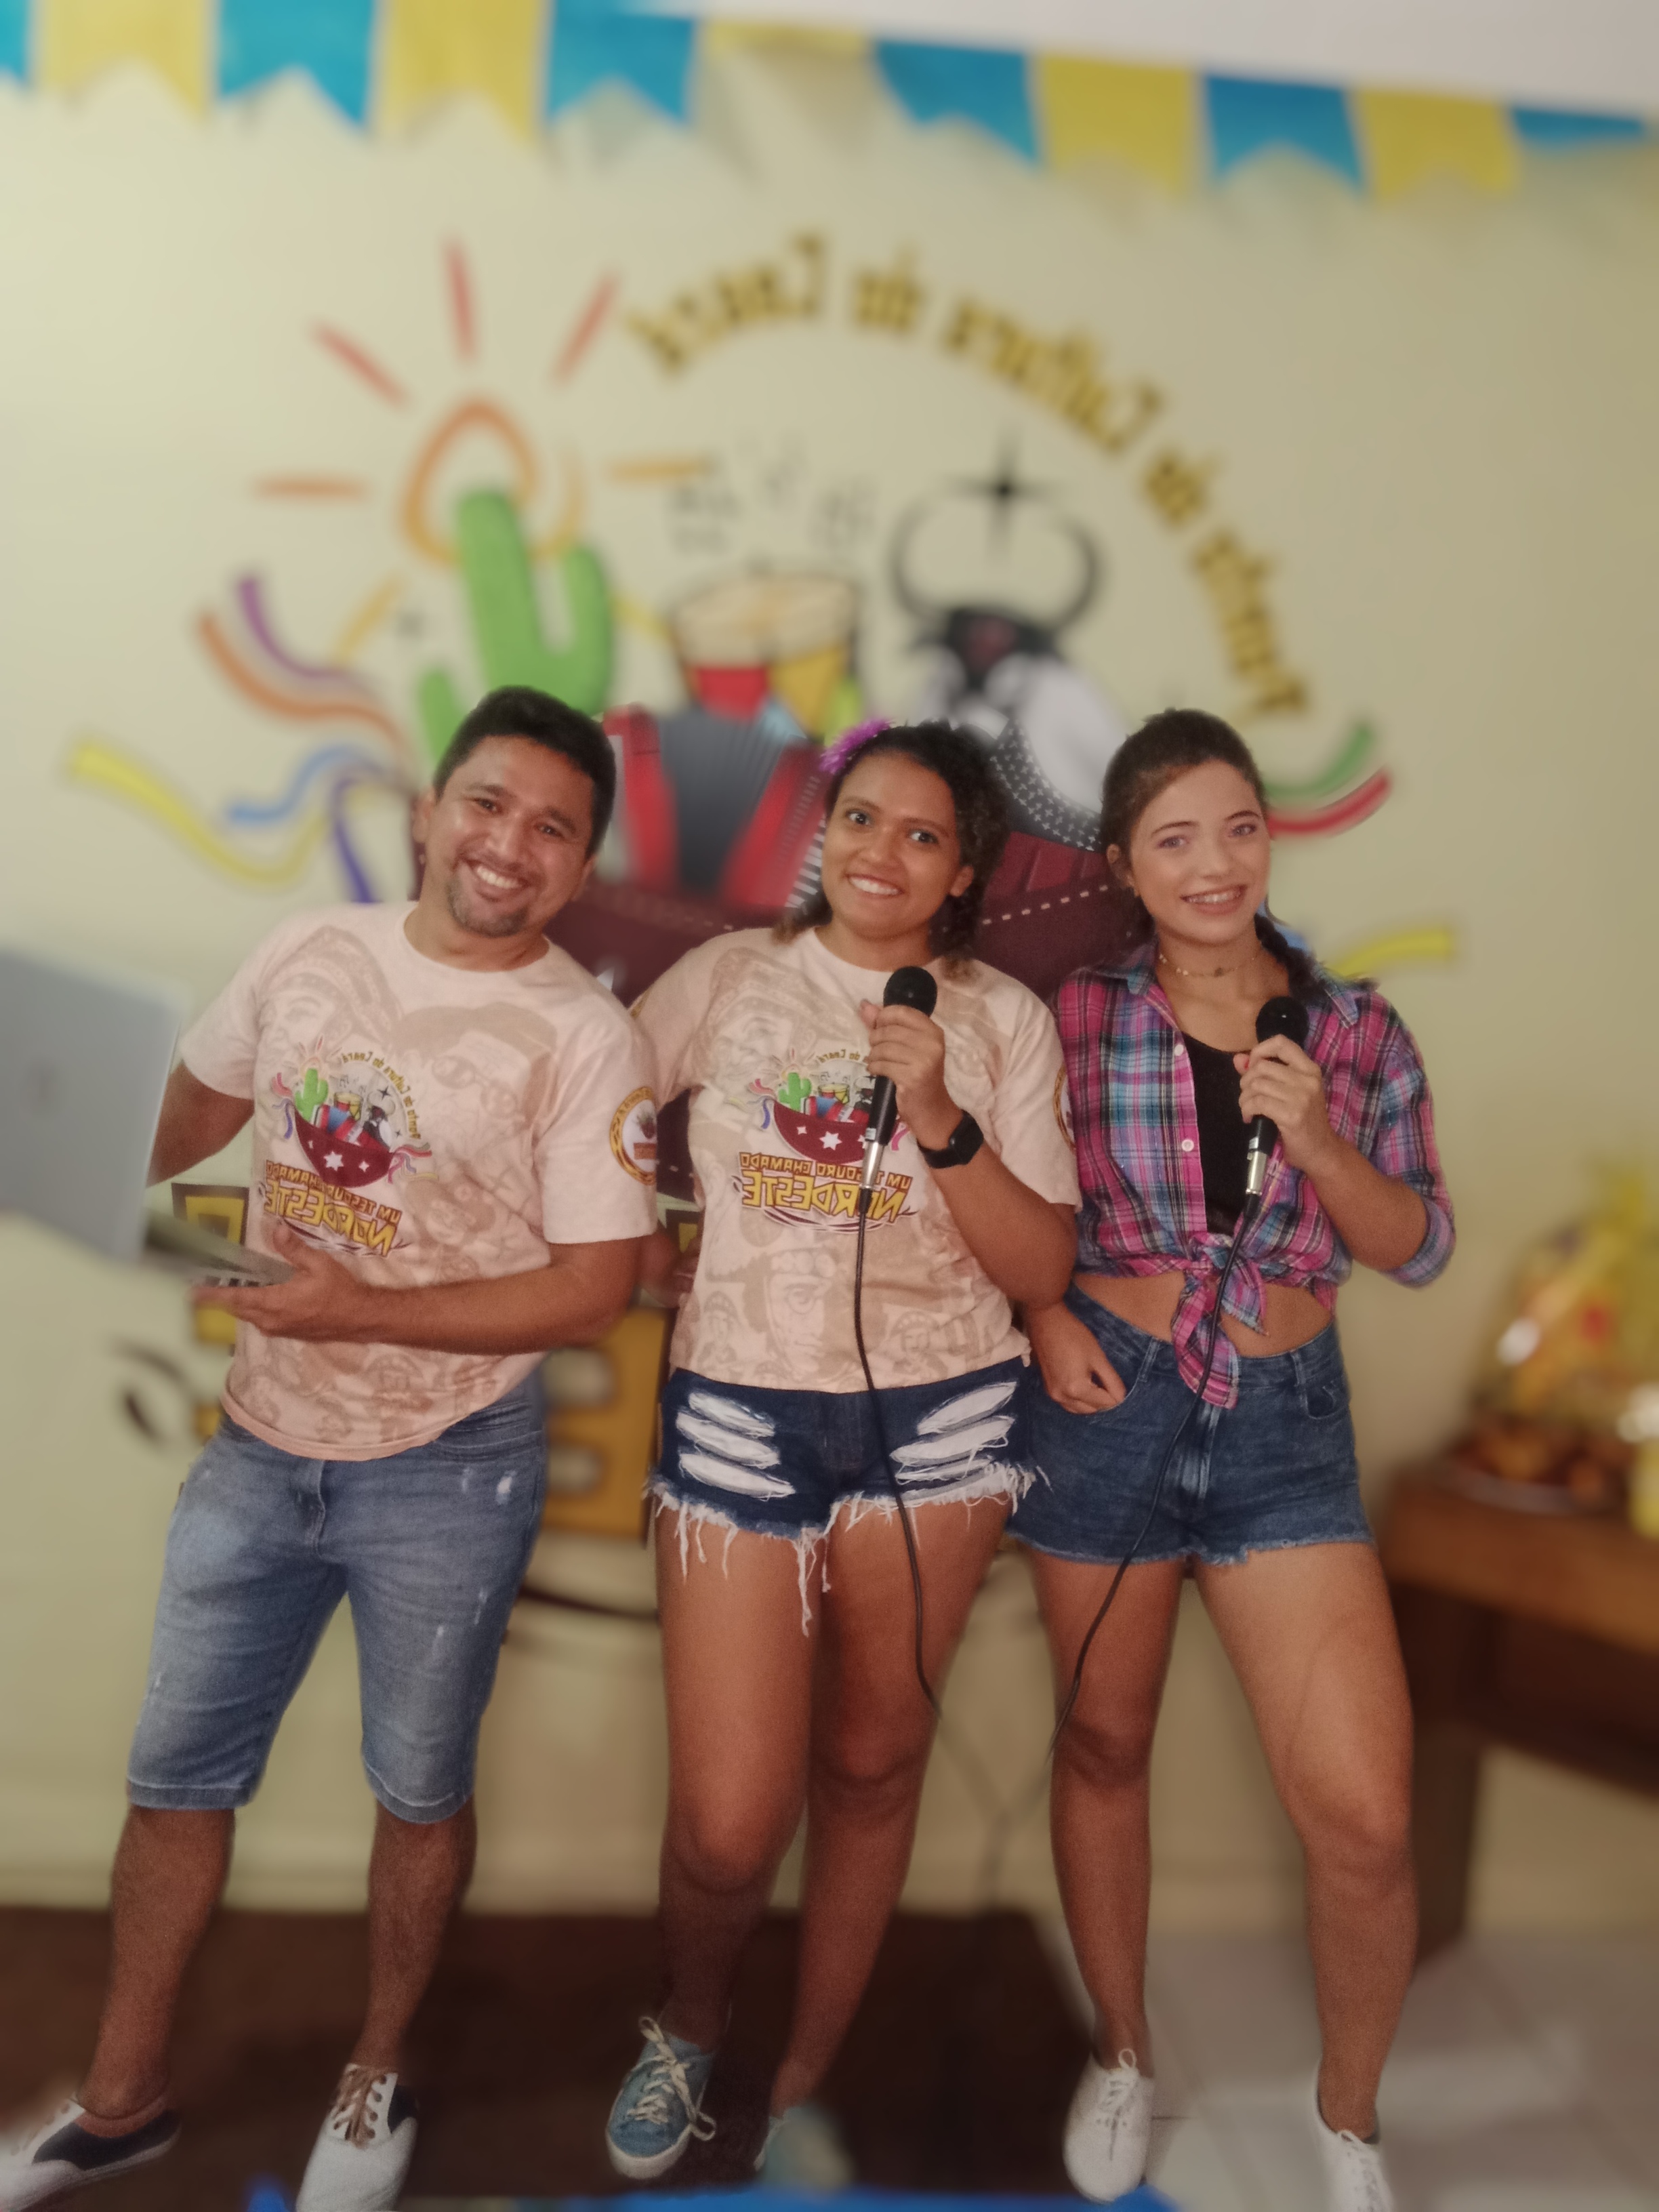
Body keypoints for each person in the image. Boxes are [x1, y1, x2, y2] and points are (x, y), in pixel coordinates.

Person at [0, 687, 657, 2212]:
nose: (510, 846)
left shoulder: (588, 1037)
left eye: (554, 829)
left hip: (452, 1462)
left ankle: (376, 2075)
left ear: (581, 868)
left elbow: (594, 1290)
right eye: (487, 803)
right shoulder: (307, 950)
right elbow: (192, 1112)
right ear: (428, 811)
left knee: (418, 1793)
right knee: (176, 1781)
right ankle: (118, 2099)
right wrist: (50, 1140)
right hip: (256, 1442)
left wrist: (363, 1306)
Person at [605, 721, 1080, 2183]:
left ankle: (803, 2069)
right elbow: (589, 1114)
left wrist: (936, 1113)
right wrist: (641, 1251)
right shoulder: (730, 977)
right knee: (729, 1822)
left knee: (874, 1765)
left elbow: (1041, 1264)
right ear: (825, 830)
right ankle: (690, 2023)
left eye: (923, 835)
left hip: (942, 1425)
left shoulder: (1002, 1020)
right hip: (742, 1411)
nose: (882, 853)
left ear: (965, 872)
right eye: (861, 819)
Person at [1008, 709, 1453, 2212]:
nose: (1216, 863)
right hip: (1104, 1404)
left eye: (1241, 827)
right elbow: (1011, 1204)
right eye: (1177, 838)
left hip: (1284, 1427)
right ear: (1125, 865)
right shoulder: (1073, 1016)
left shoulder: (1356, 1030)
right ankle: (1123, 2054)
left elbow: (1419, 1243)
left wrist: (1322, 1145)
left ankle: (1348, 2122)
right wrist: (1042, 1318)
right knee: (1103, 1746)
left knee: (1366, 1819)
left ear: (1272, 837)